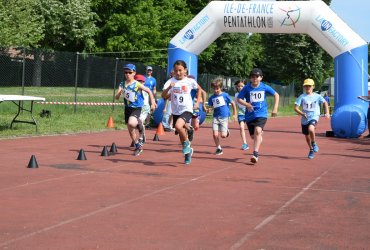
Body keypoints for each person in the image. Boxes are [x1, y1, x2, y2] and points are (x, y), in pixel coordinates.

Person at [162, 60, 201, 165]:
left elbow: (199, 89)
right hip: (176, 111)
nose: (178, 73)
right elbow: (163, 96)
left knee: (178, 126)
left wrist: (198, 102)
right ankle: (188, 152)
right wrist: (170, 87)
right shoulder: (170, 82)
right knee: (180, 133)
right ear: (173, 71)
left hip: (187, 109)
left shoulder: (189, 81)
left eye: (180, 70)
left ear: (185, 70)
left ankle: (187, 143)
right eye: (176, 71)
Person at [237, 68, 279, 164]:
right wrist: (247, 104)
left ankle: (255, 154)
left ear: (261, 78)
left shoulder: (264, 87)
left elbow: (276, 95)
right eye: (252, 76)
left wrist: (275, 108)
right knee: (253, 136)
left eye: (257, 76)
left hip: (262, 114)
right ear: (250, 78)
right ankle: (258, 137)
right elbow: (239, 99)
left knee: (258, 130)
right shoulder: (246, 88)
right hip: (249, 115)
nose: (255, 78)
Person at [115, 64, 156, 156]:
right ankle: (138, 145)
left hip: (137, 108)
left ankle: (139, 125)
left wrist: (153, 102)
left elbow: (149, 91)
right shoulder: (122, 84)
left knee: (131, 123)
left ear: (134, 73)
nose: (127, 74)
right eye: (126, 72)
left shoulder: (137, 84)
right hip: (127, 108)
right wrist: (119, 93)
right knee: (130, 128)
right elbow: (116, 97)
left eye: (130, 72)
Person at [294, 78, 330, 159]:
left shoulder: (317, 96)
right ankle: (311, 149)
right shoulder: (302, 97)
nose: (307, 87)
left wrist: (327, 112)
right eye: (306, 86)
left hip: (314, 116)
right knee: (307, 136)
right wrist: (302, 114)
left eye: (309, 86)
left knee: (311, 129)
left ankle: (314, 143)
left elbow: (325, 102)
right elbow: (295, 108)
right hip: (305, 119)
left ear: (313, 87)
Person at [207, 77, 237, 155]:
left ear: (221, 88)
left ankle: (226, 131)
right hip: (215, 117)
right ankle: (218, 148)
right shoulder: (211, 97)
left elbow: (233, 103)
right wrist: (209, 109)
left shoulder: (225, 95)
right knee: (215, 134)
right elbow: (210, 107)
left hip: (224, 117)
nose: (216, 90)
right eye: (214, 89)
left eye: (217, 88)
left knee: (223, 136)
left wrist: (234, 114)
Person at [234, 80, 249, 150]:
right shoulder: (236, 95)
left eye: (242, 86)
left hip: (249, 112)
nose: (240, 87)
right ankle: (245, 143)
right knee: (241, 127)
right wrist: (235, 113)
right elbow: (235, 104)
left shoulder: (248, 93)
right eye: (239, 86)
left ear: (245, 86)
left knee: (254, 129)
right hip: (241, 113)